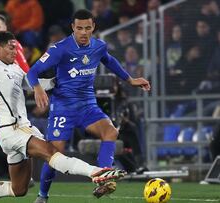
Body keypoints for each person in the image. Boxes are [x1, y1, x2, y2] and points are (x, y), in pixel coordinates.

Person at [0, 31, 125, 203]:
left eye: (16, 48)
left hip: (18, 131)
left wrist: (61, 80)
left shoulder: (16, 69)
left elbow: (35, 85)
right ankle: (95, 172)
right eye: (11, 48)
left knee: (19, 189)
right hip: (13, 130)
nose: (15, 52)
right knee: (51, 152)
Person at [26, 9, 151, 202]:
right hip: (63, 107)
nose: (83, 32)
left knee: (110, 132)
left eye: (87, 28)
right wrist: (37, 88)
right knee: (54, 154)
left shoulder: (99, 46)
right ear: (73, 28)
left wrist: (130, 79)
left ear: (93, 27)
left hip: (87, 105)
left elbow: (109, 61)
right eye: (79, 28)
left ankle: (103, 179)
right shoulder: (60, 48)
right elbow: (32, 72)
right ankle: (42, 196)